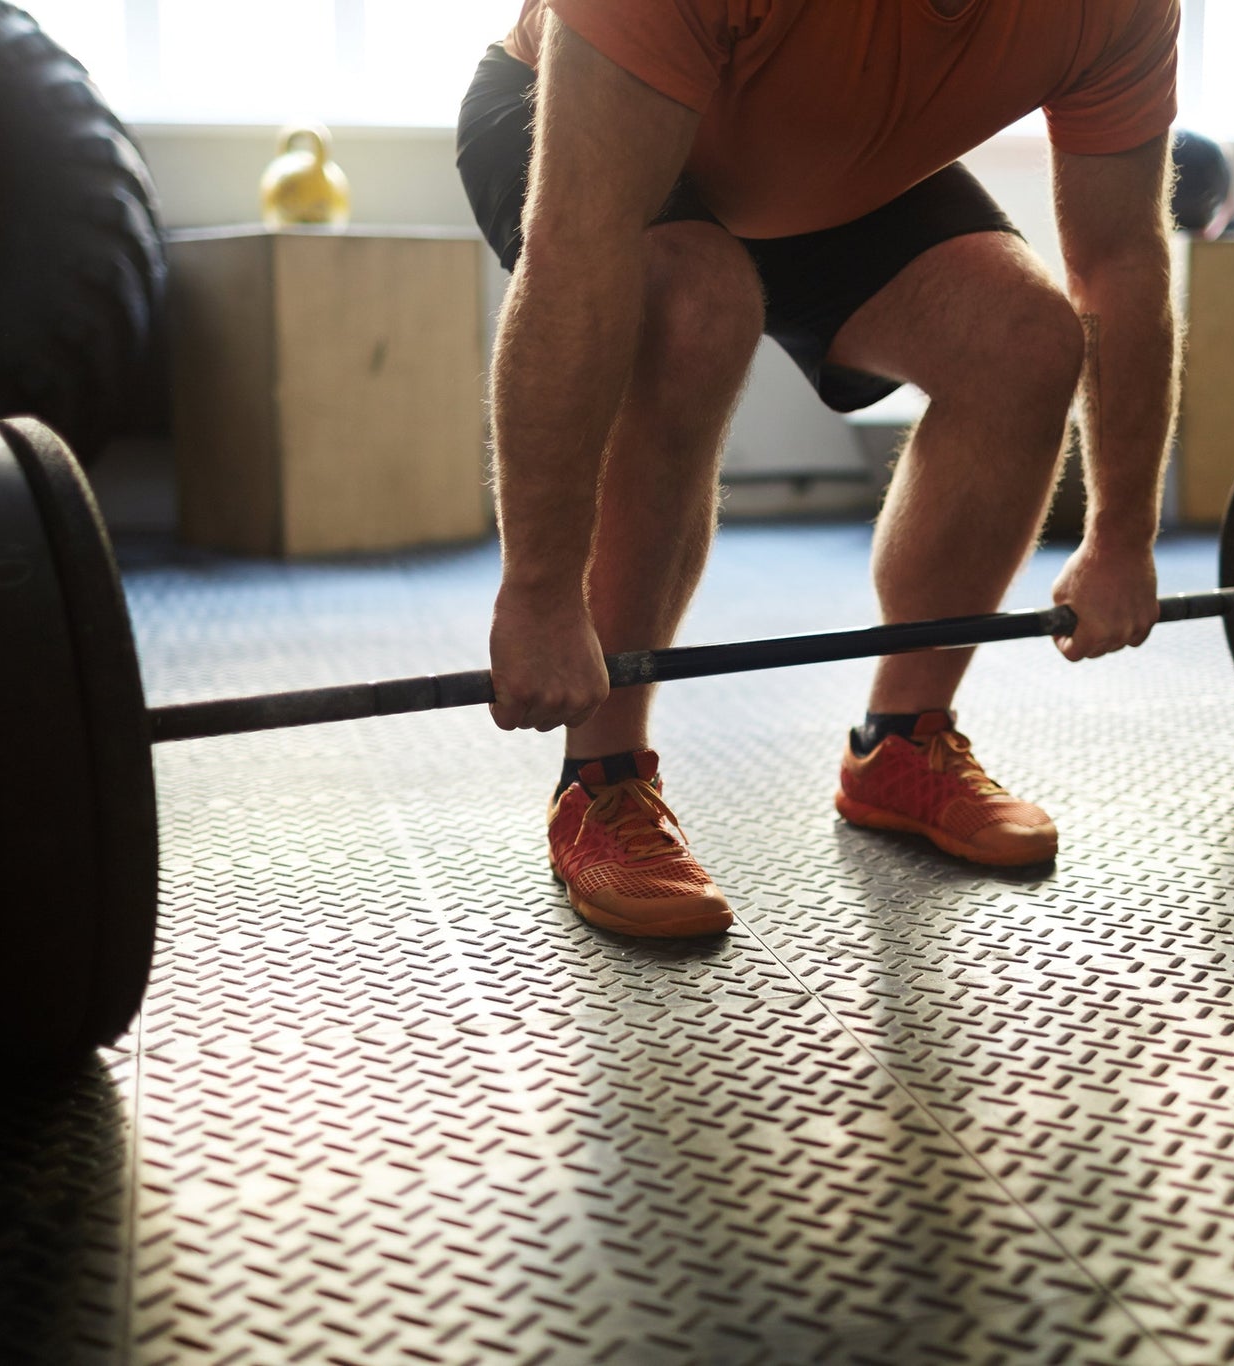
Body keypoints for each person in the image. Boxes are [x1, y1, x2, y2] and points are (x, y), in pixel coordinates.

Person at [455, 0, 1182, 939]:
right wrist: (541, 590)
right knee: (693, 306)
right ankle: (603, 780)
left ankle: (904, 742)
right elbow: (579, 238)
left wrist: (1122, 535)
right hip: (583, 113)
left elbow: (1121, 260)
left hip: (830, 163)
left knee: (1026, 340)